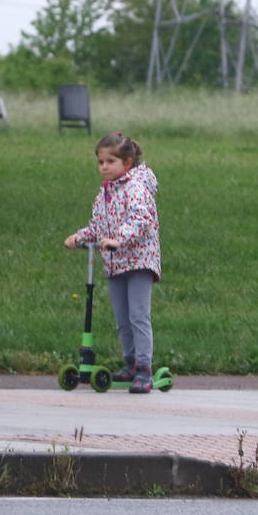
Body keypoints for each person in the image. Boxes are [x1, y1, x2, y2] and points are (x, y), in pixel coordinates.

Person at [64, 132, 162, 394]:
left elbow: (141, 220)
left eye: (110, 161)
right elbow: (98, 226)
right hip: (115, 262)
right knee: (122, 318)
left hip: (139, 260)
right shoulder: (105, 194)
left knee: (138, 315)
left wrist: (119, 240)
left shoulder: (136, 188)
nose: (104, 167)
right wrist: (80, 236)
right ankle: (129, 362)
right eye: (100, 162)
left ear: (127, 163)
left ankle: (144, 368)